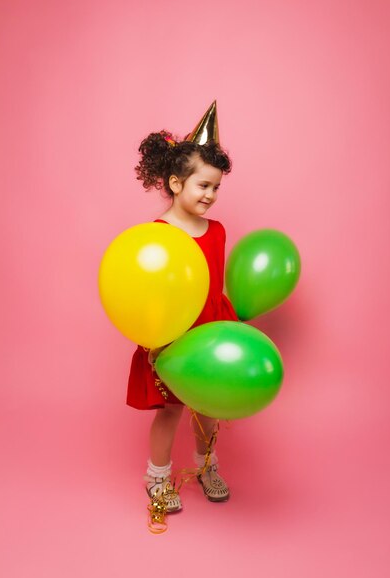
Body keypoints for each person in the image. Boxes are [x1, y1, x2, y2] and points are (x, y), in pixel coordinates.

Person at [126, 102, 238, 513]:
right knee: (171, 413)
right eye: (202, 186)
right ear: (175, 183)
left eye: (216, 187)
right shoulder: (159, 234)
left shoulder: (219, 231)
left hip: (208, 331)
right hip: (172, 339)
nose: (210, 194)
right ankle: (156, 477)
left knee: (208, 411)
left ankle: (207, 466)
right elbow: (147, 293)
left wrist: (228, 332)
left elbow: (214, 288)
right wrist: (154, 344)